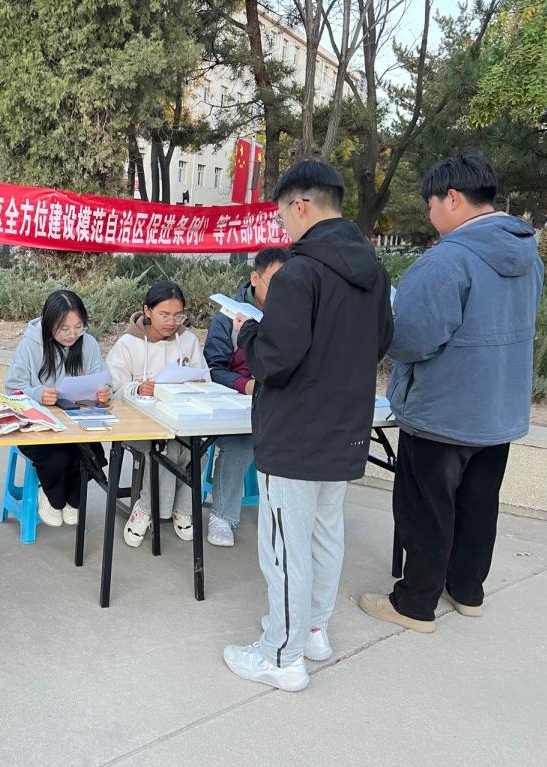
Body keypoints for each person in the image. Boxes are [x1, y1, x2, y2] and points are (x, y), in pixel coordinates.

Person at [223, 159, 393, 692]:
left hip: (295, 431)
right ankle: (314, 629)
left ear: (300, 205)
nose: (283, 227)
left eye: (281, 216)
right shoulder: (373, 269)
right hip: (345, 426)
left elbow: (274, 361)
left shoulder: (299, 272)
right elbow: (381, 340)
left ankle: (281, 654)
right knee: (324, 535)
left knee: (284, 547)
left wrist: (247, 333)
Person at [359, 152, 543, 633]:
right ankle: (466, 591)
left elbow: (412, 340)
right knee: (478, 505)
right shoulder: (528, 257)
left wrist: (387, 321)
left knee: (426, 509)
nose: (430, 213)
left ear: (453, 198)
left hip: (442, 410)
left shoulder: (446, 260)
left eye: (431, 203)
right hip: (498, 408)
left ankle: (414, 603)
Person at [106, 280, 208, 547]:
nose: (172, 322)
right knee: (166, 449)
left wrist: (196, 383)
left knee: (201, 449)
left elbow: (204, 378)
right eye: (164, 314)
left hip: (180, 420)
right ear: (147, 311)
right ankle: (147, 509)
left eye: (178, 315)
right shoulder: (128, 343)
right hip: (138, 424)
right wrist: (138, 388)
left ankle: (182, 509)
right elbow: (112, 390)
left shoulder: (187, 341)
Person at [204, 246, 293, 547]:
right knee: (241, 442)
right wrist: (245, 385)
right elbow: (213, 368)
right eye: (275, 281)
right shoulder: (228, 317)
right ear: (255, 278)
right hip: (237, 401)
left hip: (280, 401)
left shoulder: (295, 316)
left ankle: (287, 514)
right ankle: (222, 515)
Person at [4, 290, 110, 526]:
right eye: (64, 328)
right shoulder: (30, 346)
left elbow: (104, 381)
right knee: (58, 458)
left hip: (77, 423)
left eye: (79, 327)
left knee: (90, 455)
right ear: (49, 324)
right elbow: (12, 389)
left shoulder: (89, 344)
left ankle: (72, 500)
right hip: (38, 426)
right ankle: (53, 496)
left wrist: (104, 392)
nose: (72, 335)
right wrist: (38, 394)